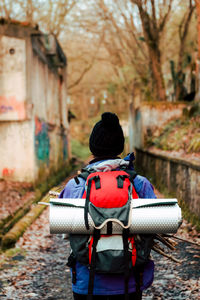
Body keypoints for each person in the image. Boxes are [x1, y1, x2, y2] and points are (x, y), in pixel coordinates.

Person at [59, 112, 156, 300]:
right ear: (120, 147)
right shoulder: (140, 184)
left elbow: (63, 230)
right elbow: (155, 226)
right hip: (129, 282)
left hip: (88, 283)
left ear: (92, 147)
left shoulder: (75, 185)